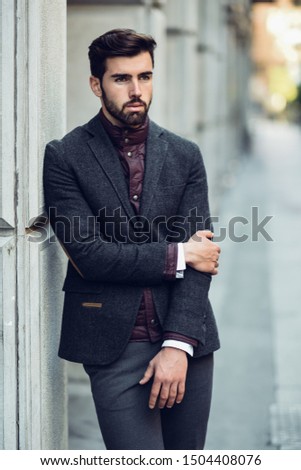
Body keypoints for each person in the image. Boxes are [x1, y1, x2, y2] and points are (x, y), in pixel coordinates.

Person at [43, 28, 221, 450]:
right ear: (96, 84)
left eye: (144, 76)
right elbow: (91, 255)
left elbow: (204, 259)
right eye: (122, 79)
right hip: (112, 347)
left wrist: (178, 345)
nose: (136, 90)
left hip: (187, 339)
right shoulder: (65, 157)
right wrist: (179, 253)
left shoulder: (184, 154)